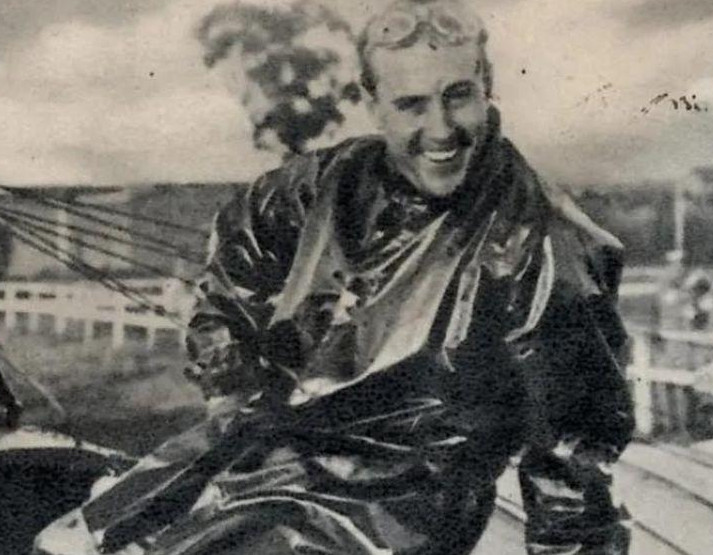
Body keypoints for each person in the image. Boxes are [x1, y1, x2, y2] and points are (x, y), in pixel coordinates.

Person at [35, 0, 634, 553]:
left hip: (401, 503)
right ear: (373, 103)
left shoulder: (542, 239)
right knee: (70, 541)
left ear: (488, 90)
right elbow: (231, 283)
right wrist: (231, 381)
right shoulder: (323, 183)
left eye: (459, 95)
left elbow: (572, 457)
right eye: (411, 104)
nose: (442, 128)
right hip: (258, 448)